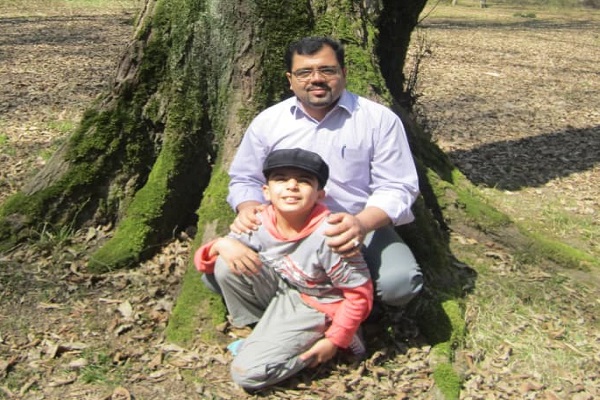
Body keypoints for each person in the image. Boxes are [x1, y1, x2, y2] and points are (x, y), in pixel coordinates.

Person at [212, 36, 422, 311]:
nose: (316, 79)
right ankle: (301, 310)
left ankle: (348, 312)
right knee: (221, 271)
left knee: (400, 283)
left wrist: (361, 224)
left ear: (343, 73)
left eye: (327, 70)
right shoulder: (269, 122)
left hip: (353, 226)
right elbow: (245, 178)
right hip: (285, 228)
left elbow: (398, 186)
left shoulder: (378, 120)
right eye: (304, 73)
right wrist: (249, 207)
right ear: (290, 80)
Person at [195, 148, 373, 390]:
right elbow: (204, 264)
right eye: (280, 179)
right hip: (282, 291)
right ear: (266, 191)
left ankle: (316, 344)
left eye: (304, 181)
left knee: (247, 374)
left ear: (320, 194)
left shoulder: (331, 235)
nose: (292, 186)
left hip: (319, 306)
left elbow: (360, 295)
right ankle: (262, 333)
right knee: (225, 263)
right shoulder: (258, 220)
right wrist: (221, 244)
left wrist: (335, 340)